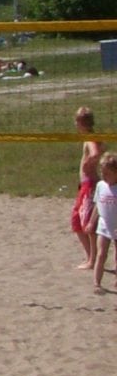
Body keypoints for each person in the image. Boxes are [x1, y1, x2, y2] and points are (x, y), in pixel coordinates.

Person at [72, 108, 105, 269]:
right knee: (79, 221)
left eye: (76, 121)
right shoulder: (93, 136)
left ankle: (92, 260)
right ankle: (90, 257)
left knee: (87, 223)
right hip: (87, 185)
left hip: (89, 185)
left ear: (81, 123)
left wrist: (88, 163)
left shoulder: (91, 138)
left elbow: (96, 152)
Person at [92, 150, 117, 294]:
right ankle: (97, 283)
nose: (104, 176)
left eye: (108, 173)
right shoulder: (101, 186)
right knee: (101, 254)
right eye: (102, 173)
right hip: (103, 227)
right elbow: (97, 205)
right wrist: (91, 222)